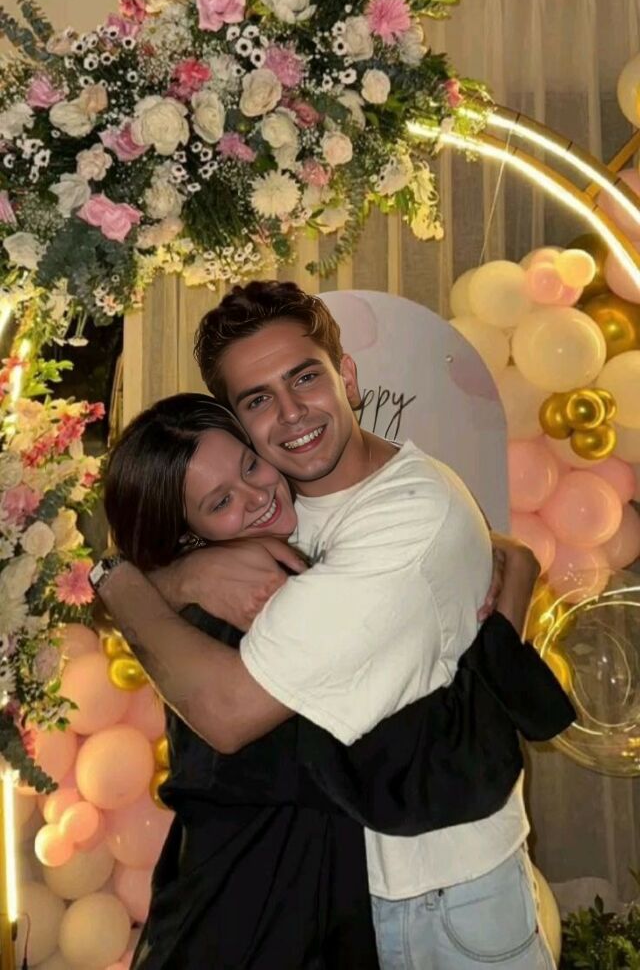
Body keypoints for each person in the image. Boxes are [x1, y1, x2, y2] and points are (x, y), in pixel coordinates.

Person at [95, 281, 573, 969]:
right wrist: (181, 576)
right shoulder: (287, 500)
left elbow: (228, 711)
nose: (291, 413)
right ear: (240, 423)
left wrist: (121, 582)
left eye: (305, 377)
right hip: (345, 889)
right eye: (258, 400)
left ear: (346, 375)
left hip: (438, 895)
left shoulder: (403, 520)